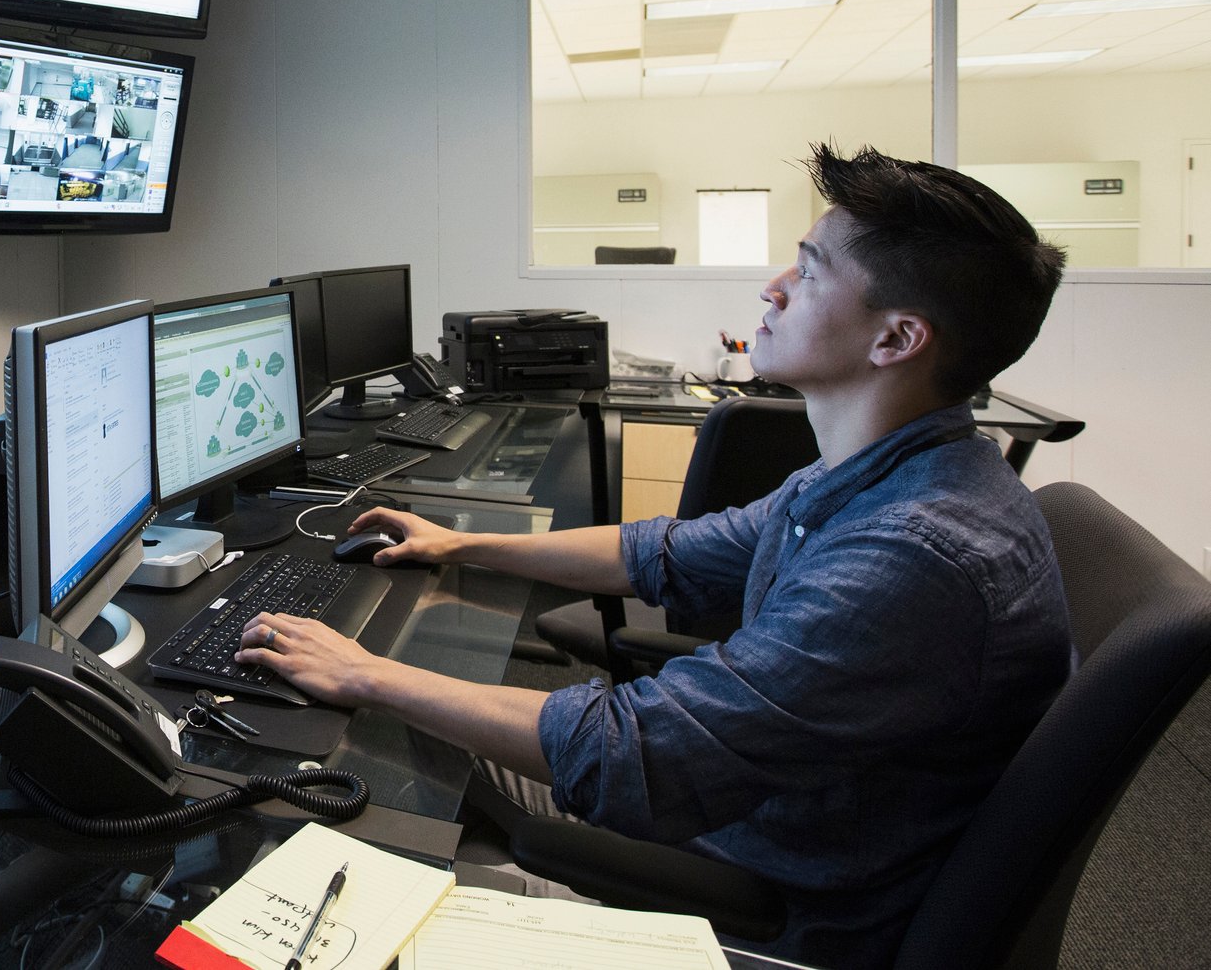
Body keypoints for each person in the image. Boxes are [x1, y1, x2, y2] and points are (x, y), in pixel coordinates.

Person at [236, 144, 1073, 969]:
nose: (771, 288)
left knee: (347, 792)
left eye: (809, 271)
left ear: (896, 339)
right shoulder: (886, 477)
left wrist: (364, 674)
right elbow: (662, 551)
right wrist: (461, 542)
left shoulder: (909, 556)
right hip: (758, 809)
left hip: (762, 893)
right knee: (402, 740)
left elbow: (632, 756)